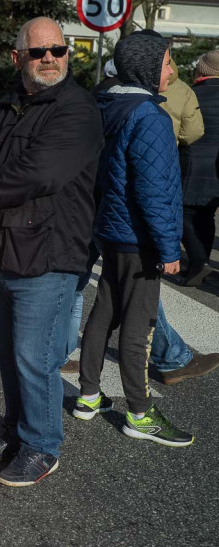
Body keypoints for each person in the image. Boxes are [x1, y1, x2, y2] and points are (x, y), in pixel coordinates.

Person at [0, 17, 103, 487]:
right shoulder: (8, 103)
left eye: (58, 51)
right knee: (1, 348)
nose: (49, 59)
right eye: (39, 51)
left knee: (33, 354)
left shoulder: (77, 109)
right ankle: (16, 431)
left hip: (48, 251)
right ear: (17, 56)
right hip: (1, 247)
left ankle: (41, 446)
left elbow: (39, 173)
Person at [76, 29, 193, 448]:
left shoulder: (107, 104)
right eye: (165, 63)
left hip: (110, 228)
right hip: (138, 237)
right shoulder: (150, 117)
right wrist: (167, 247)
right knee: (139, 327)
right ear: (146, 67)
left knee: (104, 311)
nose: (170, 72)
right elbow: (154, 189)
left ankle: (88, 396)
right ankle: (140, 413)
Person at [180, 49, 219, 287]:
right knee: (207, 213)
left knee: (184, 214)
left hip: (194, 164)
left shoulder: (191, 95)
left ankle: (199, 260)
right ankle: (199, 265)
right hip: (217, 167)